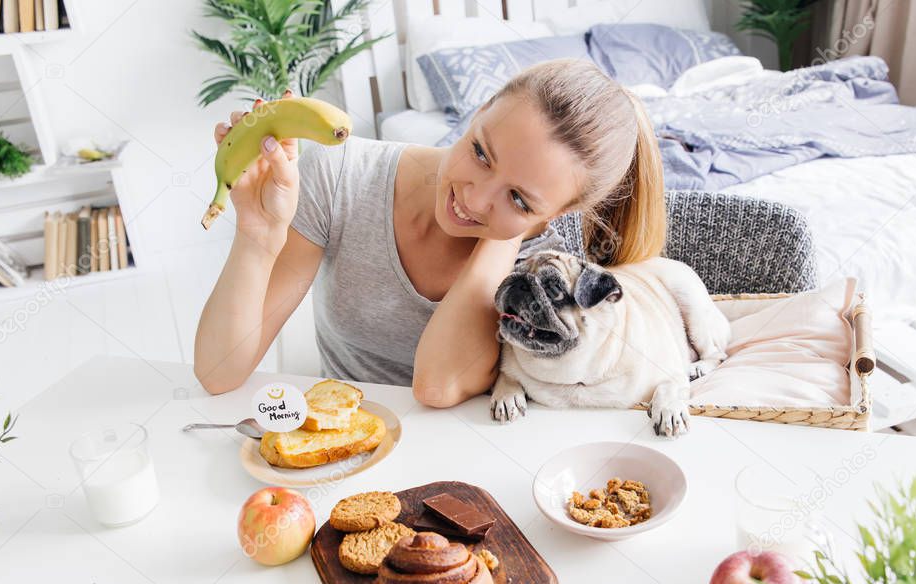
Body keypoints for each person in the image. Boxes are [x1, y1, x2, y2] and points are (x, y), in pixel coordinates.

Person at [194, 58, 666, 407]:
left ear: (556, 215)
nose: (475, 200)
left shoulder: (544, 277)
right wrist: (258, 234)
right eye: (482, 153)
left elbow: (437, 387)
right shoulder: (341, 176)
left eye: (520, 198)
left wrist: (508, 233)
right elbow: (219, 371)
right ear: (480, 110)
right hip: (341, 438)